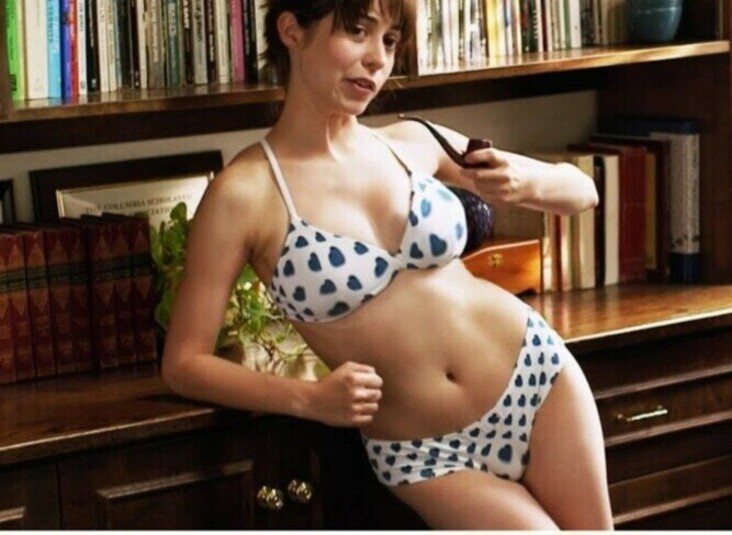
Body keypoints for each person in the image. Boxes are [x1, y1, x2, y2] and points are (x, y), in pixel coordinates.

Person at [160, 0, 613, 529]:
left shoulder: (412, 141)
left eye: (391, 41)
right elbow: (184, 363)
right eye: (358, 32)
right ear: (292, 30)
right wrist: (309, 399)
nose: (378, 59)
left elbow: (583, 191)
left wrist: (524, 181)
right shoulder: (244, 193)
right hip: (424, 452)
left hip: (535, 375)